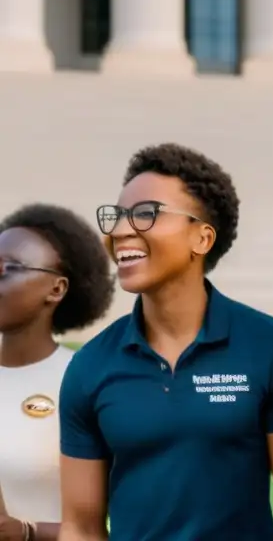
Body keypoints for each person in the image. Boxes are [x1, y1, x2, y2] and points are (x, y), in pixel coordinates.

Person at [57, 144, 273, 541]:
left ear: (202, 237)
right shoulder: (90, 366)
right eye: (117, 216)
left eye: (146, 214)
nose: (119, 231)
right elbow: (81, 527)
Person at [0, 204, 114, 541]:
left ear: (56, 289)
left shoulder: (84, 380)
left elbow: (116, 525)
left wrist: (25, 532)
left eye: (6, 268)